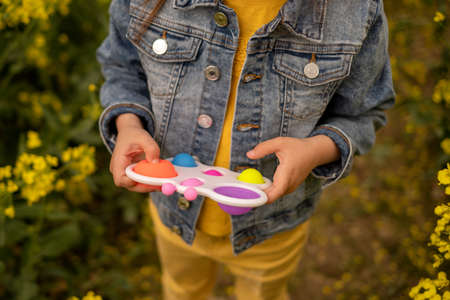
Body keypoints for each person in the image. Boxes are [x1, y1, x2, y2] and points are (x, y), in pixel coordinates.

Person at [96, 0, 395, 299]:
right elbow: (123, 68)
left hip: (272, 229)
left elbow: (364, 111)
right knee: (183, 289)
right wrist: (129, 126)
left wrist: (316, 150)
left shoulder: (356, 11)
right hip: (174, 213)